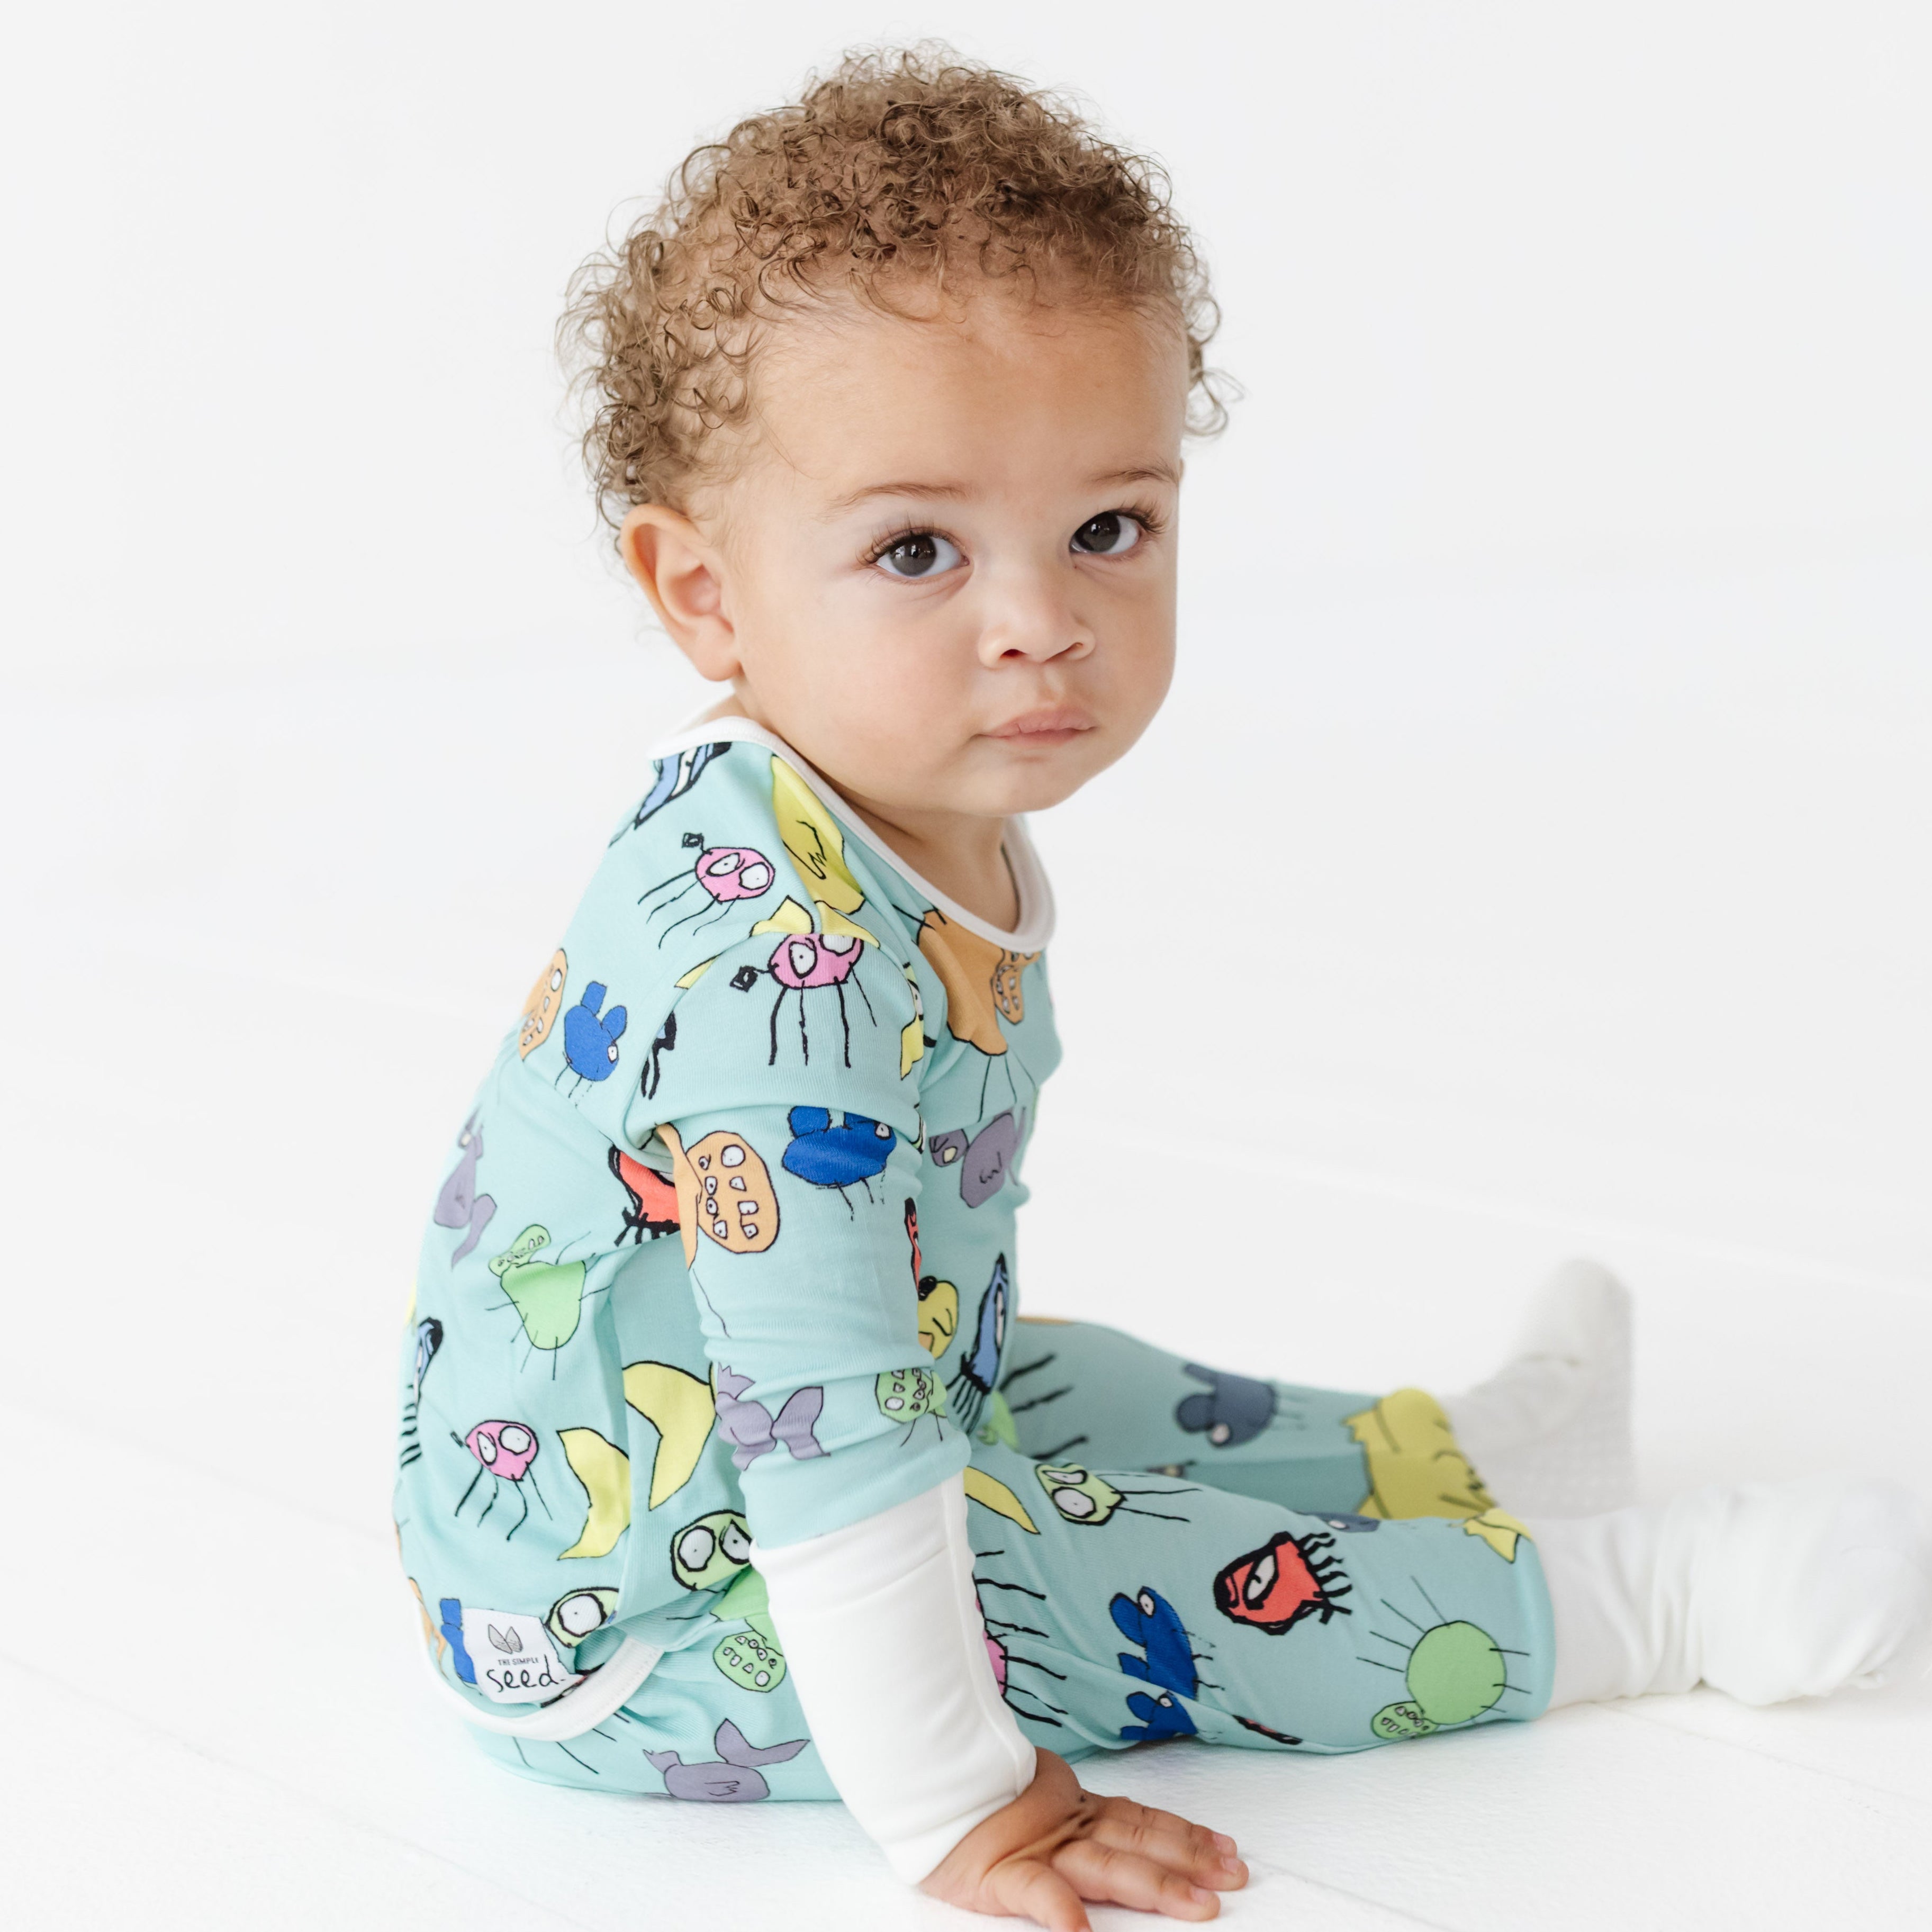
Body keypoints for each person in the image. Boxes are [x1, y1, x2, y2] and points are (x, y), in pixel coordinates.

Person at [392, 47, 1930, 1930]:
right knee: (1089, 1563)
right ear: (701, 592)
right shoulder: (759, 983)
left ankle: (1461, 1452)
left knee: (1074, 1384)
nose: (1039, 614)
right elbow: (832, 1439)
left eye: (1106, 528)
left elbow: (904, 1361)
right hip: (651, 1618)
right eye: (916, 549)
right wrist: (965, 1804)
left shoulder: (881, 814)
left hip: (817, 1433)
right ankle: (1648, 1602)